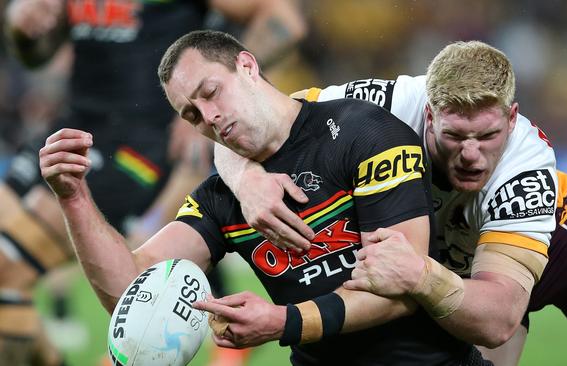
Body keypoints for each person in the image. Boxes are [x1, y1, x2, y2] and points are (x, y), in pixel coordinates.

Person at [40, 30, 491, 365]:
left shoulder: (364, 133)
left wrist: (284, 322)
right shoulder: (221, 196)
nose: (210, 117)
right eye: (192, 114)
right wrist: (74, 196)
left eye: (212, 92)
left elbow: (405, 285)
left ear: (248, 66)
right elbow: (129, 289)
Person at [211, 40, 567, 365]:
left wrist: (419, 272)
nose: (472, 154)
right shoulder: (383, 104)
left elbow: (498, 318)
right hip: (449, 274)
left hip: (540, 240)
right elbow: (252, 115)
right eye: (455, 136)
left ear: (512, 117)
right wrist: (246, 179)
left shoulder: (526, 170)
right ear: (429, 113)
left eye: (489, 136)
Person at [1, 1, 306, 365]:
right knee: (6, 285)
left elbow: (283, 19)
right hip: (75, 124)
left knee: (7, 272)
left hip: (139, 145)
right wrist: (23, 31)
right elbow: (37, 55)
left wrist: (212, 96)